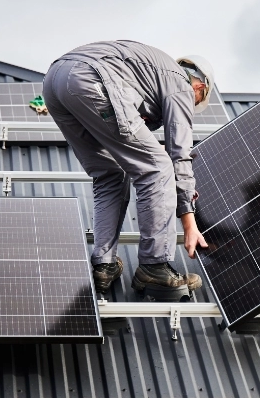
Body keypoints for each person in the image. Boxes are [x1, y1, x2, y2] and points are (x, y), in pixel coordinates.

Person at [42, 40, 211, 296]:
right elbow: (179, 154)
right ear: (200, 86)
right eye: (196, 101)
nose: (190, 106)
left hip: (55, 81)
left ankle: (104, 264)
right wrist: (189, 220)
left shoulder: (151, 72)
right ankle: (155, 266)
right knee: (157, 167)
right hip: (91, 78)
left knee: (109, 173)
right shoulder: (181, 84)